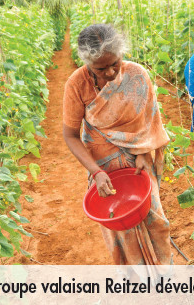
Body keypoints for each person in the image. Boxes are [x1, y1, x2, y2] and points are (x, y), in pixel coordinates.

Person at [62, 24, 172, 265]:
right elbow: (70, 135)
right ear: (87, 63)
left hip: (138, 161)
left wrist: (143, 152)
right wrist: (96, 172)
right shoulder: (76, 84)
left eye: (116, 63)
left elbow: (149, 117)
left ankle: (165, 278)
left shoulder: (137, 75)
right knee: (120, 226)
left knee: (155, 220)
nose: (111, 73)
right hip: (103, 166)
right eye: (101, 68)